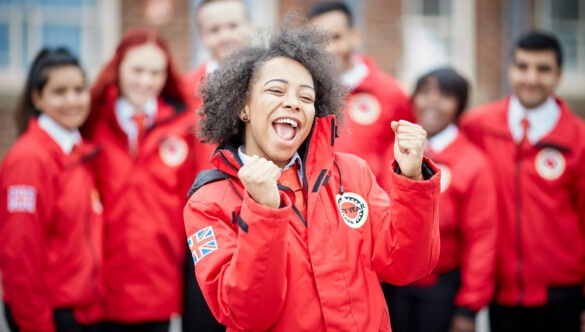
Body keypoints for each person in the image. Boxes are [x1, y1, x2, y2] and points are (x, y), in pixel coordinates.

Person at [183, 26, 441, 331]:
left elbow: (407, 266)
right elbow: (249, 314)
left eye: (306, 97)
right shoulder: (208, 202)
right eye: (276, 91)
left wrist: (412, 180)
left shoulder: (351, 173)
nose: (294, 103)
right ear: (243, 106)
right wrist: (264, 212)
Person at [81, 28, 206, 332]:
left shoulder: (184, 126)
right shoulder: (91, 122)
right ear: (118, 67)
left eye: (155, 72)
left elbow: (194, 201)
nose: (145, 81)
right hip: (99, 288)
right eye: (137, 70)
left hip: (158, 283)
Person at [460, 30, 585, 332]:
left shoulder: (578, 138)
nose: (531, 78)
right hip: (501, 296)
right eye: (522, 66)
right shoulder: (477, 127)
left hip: (562, 296)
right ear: (510, 69)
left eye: (542, 69)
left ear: (558, 75)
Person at [385, 68, 497, 332]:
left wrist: (468, 309)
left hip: (442, 288)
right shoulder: (391, 151)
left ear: (459, 105)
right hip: (394, 286)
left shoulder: (473, 163)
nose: (432, 102)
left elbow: (482, 239)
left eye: (445, 95)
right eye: (425, 93)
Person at [0, 48, 103, 332]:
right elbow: (19, 255)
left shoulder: (78, 151)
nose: (72, 100)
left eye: (79, 89)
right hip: (50, 317)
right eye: (59, 92)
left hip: (84, 314)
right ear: (37, 97)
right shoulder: (29, 159)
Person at [182, 1, 253, 330]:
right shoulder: (183, 90)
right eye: (214, 29)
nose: (225, 36)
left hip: (257, 215)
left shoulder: (270, 81)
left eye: (232, 25)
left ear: (249, 25)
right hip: (204, 224)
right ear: (201, 35)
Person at [307, 1, 414, 192]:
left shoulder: (389, 92)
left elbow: (403, 157)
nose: (328, 49)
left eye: (335, 37)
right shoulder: (305, 92)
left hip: (372, 207)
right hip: (319, 207)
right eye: (318, 42)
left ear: (355, 37)